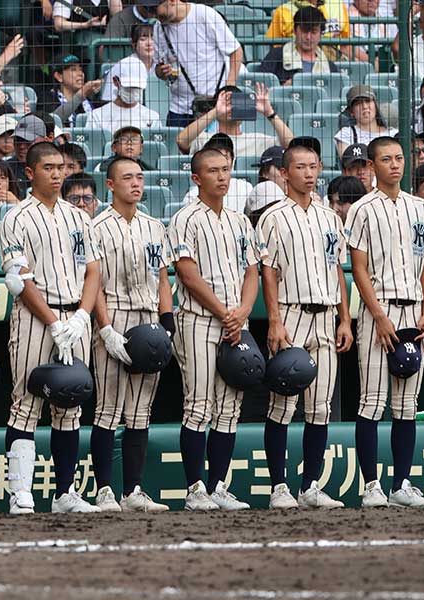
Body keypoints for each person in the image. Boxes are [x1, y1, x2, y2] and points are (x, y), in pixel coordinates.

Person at [0, 142, 103, 514]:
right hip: (35, 318)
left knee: (70, 406)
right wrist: (54, 321)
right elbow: (19, 278)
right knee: (26, 405)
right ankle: (20, 493)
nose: (57, 173)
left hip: (75, 318)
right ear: (30, 173)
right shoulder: (16, 217)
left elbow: (93, 270)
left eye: (61, 167)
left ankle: (65, 493)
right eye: (48, 167)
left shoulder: (79, 217)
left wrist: (82, 316)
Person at [256, 138, 353, 509]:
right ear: (284, 173)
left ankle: (310, 486)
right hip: (291, 312)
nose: (308, 173)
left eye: (313, 166)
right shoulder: (273, 217)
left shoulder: (330, 217)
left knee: (320, 408)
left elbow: (337, 269)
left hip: (325, 315)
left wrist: (345, 319)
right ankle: (279, 487)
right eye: (300, 167)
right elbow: (269, 271)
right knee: (282, 405)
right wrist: (275, 320)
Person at [345, 137, 424, 508]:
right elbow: (358, 268)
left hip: (413, 311)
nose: (395, 164)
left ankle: (401, 484)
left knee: (406, 404)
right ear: (371, 166)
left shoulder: (421, 207)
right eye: (386, 159)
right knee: (371, 401)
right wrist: (379, 316)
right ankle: (371, 485)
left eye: (399, 158)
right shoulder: (362, 209)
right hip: (378, 311)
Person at [168, 147, 260, 511]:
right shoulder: (185, 219)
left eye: (225, 169)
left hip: (236, 321)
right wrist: (225, 314)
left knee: (229, 408)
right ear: (196, 178)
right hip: (199, 321)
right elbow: (187, 274)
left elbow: (252, 271)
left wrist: (243, 311)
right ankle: (195, 490)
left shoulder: (240, 221)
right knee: (198, 406)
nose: (222, 176)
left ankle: (219, 486)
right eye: (212, 171)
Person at [87, 157, 171, 513]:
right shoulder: (96, 226)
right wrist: (105, 329)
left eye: (139, 177)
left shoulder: (155, 226)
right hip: (115, 314)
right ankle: (105, 490)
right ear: (110, 185)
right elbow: (94, 283)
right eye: (127, 178)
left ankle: (133, 490)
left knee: (140, 411)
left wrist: (167, 324)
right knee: (108, 409)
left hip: (148, 317)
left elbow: (163, 279)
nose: (136, 183)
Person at [144, 0, 243, 128]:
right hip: (179, 108)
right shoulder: (159, 28)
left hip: (213, 105)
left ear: (172, 1)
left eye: (154, 9)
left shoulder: (204, 14)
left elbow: (236, 50)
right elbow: (158, 67)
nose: (153, 15)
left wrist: (229, 88)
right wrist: (162, 72)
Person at [176, 83, 293, 157]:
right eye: (226, 103)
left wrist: (270, 113)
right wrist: (216, 111)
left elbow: (290, 145)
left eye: (237, 103)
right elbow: (181, 141)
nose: (231, 108)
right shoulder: (204, 139)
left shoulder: (259, 140)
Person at [259, 7, 340, 87]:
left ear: (321, 35)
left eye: (314, 32)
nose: (308, 37)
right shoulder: (276, 57)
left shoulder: (330, 67)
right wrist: (282, 90)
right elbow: (259, 86)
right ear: (294, 31)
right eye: (304, 31)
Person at [181, 133, 252, 213]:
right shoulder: (192, 197)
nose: (220, 162)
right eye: (213, 170)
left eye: (225, 157)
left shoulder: (245, 188)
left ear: (232, 161)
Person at [87, 56, 160, 134]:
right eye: (128, 87)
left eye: (137, 87)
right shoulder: (97, 116)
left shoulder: (152, 117)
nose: (133, 91)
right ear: (115, 81)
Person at [266, 0, 351, 59]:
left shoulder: (338, 5)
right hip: (295, 64)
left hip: (334, 63)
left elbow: (345, 46)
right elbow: (276, 49)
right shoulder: (282, 11)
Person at [41, 54, 104, 128]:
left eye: (80, 69)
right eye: (73, 69)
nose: (80, 74)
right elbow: (51, 122)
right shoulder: (47, 100)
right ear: (59, 76)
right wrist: (81, 95)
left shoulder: (90, 101)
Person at [335, 86, 398, 158]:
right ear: (351, 112)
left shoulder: (394, 134)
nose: (364, 106)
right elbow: (347, 162)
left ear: (375, 105)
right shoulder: (346, 134)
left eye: (368, 101)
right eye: (358, 103)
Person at [101, 23, 156, 102]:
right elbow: (109, 99)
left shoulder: (161, 66)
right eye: (143, 39)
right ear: (134, 44)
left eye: (153, 38)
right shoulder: (124, 65)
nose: (149, 43)